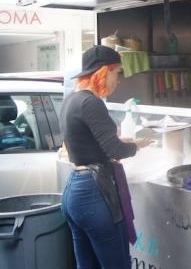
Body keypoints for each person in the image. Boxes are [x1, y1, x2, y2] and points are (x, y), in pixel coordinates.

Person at [60, 45, 153, 268]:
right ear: (104, 71)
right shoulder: (90, 103)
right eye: (117, 72)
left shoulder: (71, 100)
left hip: (74, 190)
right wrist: (135, 146)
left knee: (87, 265)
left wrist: (121, 143)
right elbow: (115, 150)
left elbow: (89, 144)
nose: (118, 80)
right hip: (94, 193)